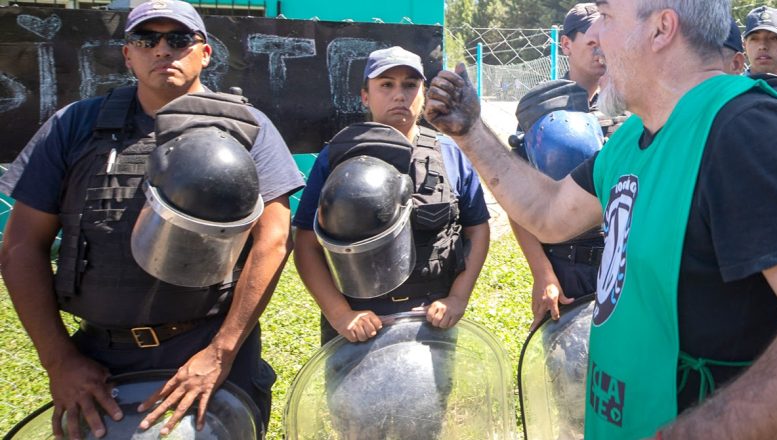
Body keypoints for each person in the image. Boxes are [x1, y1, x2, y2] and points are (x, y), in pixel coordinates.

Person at [424, 0, 777, 438]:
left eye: (606, 17)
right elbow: (547, 213)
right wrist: (469, 131)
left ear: (661, 29)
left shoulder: (751, 130)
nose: (597, 37)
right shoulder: (632, 138)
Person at [0, 1, 304, 438]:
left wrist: (221, 352)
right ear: (128, 54)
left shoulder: (248, 127)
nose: (163, 50)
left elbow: (273, 240)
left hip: (203, 346)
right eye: (146, 40)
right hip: (99, 357)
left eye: (179, 39)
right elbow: (20, 246)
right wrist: (58, 359)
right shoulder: (74, 126)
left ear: (205, 52)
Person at [293, 46, 490, 345]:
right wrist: (340, 314)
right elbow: (306, 243)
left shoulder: (450, 154)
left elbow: (477, 228)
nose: (399, 95)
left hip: (431, 321)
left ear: (423, 94)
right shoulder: (335, 158)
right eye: (386, 84)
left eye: (410, 85)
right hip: (359, 324)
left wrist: (457, 298)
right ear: (365, 95)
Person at [510, 3, 607, 331]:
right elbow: (518, 203)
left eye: (605, 39)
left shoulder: (626, 104)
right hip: (567, 266)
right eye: (591, 42)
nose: (601, 50)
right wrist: (543, 273)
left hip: (622, 263)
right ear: (566, 45)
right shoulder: (545, 113)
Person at [560, 3, 605, 104]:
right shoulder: (547, 102)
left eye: (606, 34)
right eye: (593, 36)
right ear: (566, 45)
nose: (602, 43)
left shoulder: (624, 103)